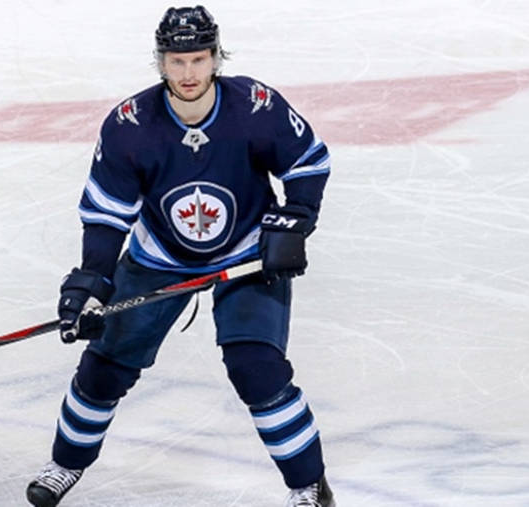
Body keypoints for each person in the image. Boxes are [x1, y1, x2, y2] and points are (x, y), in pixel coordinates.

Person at [26, 5, 335, 507]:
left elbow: (308, 162)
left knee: (257, 369)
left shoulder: (255, 106)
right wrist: (91, 282)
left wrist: (296, 218)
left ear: (215, 58)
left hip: (247, 253)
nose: (187, 73)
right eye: (176, 61)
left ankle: (308, 487)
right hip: (160, 257)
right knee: (103, 369)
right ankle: (65, 464)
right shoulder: (131, 125)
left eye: (197, 59)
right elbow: (107, 215)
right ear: (160, 62)